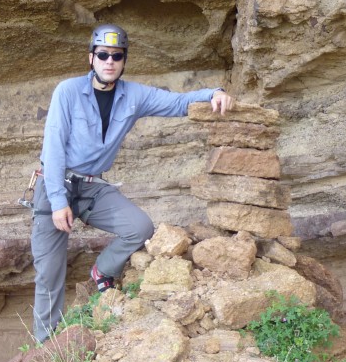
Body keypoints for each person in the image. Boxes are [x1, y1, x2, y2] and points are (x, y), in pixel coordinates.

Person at [31, 24, 234, 343]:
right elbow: (53, 148)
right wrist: (58, 202)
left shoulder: (134, 96)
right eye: (103, 54)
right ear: (91, 58)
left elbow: (178, 103)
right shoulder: (67, 92)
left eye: (116, 55)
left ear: (124, 60)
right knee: (50, 274)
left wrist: (213, 93)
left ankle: (102, 271)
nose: (109, 61)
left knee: (139, 227)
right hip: (55, 185)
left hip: (92, 187)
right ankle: (45, 348)